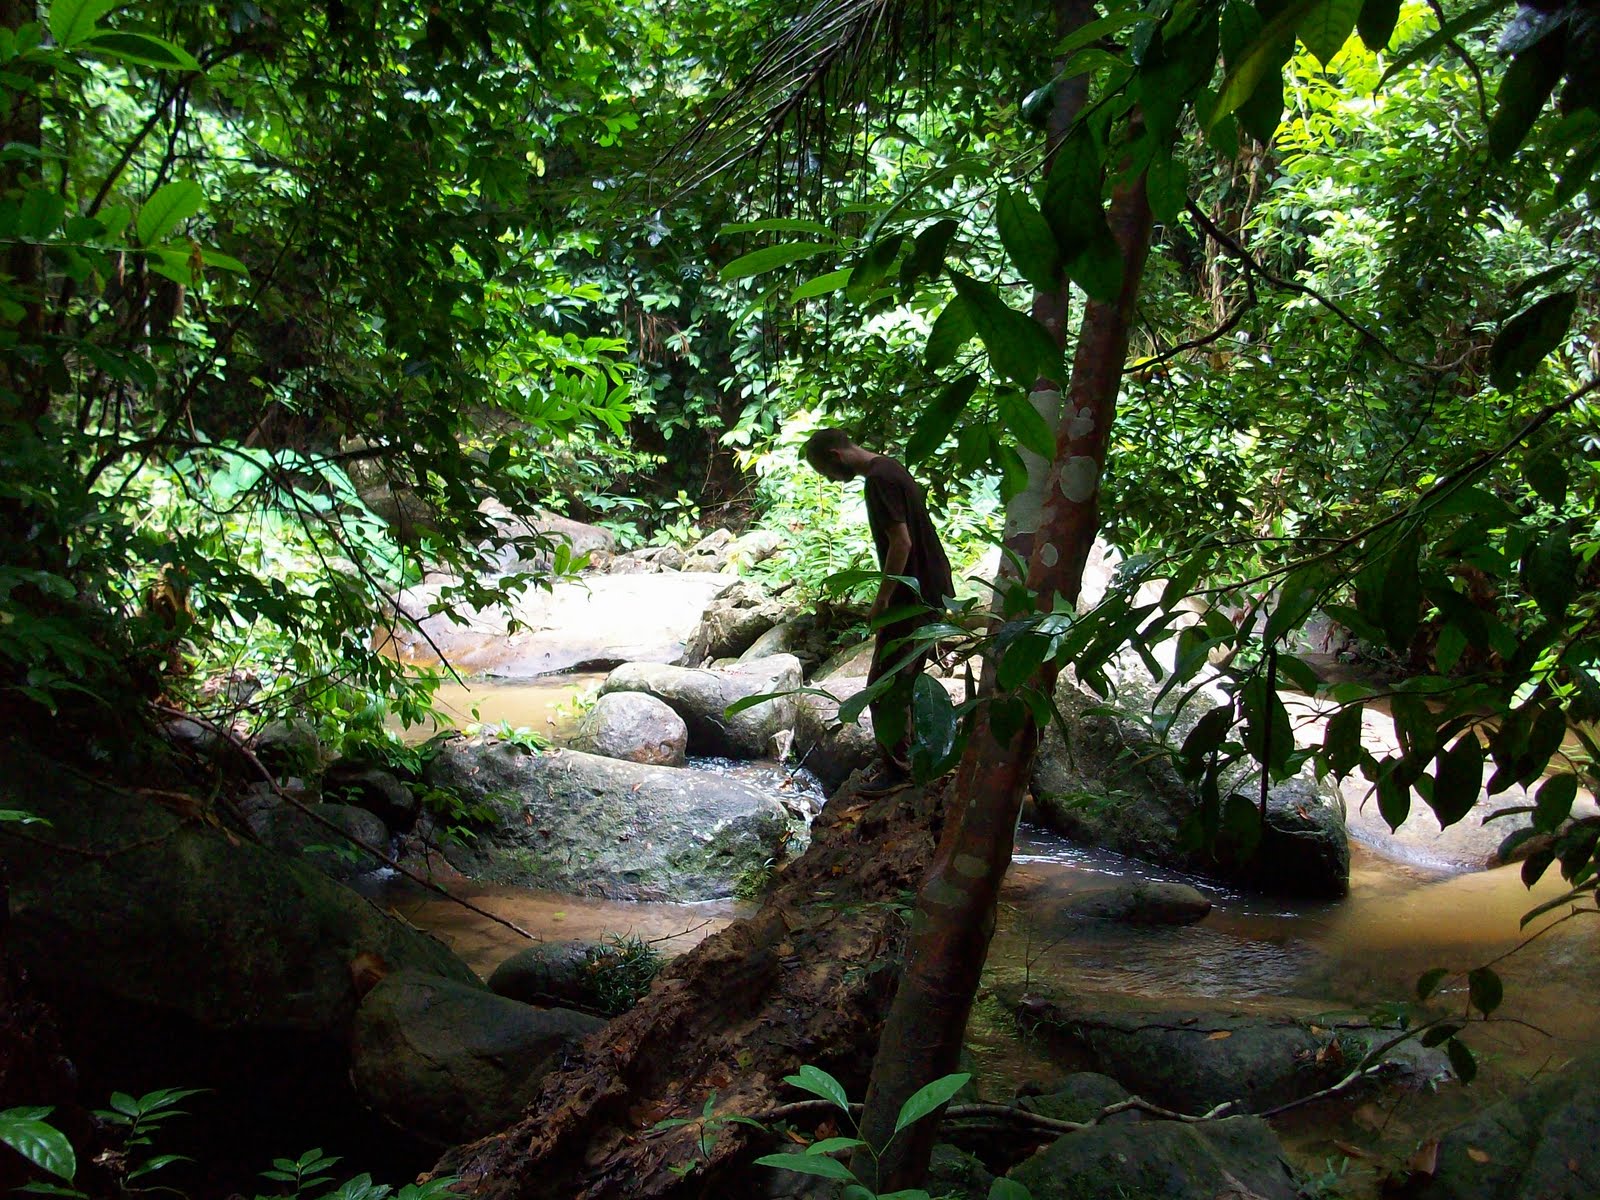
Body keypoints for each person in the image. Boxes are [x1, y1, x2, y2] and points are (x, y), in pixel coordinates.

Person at [802, 428, 954, 787]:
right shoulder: (891, 468)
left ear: (836, 456)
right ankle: (914, 762)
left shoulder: (878, 481)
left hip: (913, 596)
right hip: (930, 587)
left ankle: (899, 772)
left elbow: (901, 542)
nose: (832, 481)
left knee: (884, 687)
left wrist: (883, 598)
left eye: (827, 473)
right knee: (905, 681)